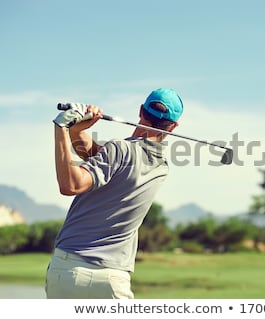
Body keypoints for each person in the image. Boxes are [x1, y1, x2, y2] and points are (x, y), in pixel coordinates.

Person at [46, 88, 183, 299]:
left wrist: (62, 128)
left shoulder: (118, 150)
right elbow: (101, 158)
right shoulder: (161, 166)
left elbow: (71, 184)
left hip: (68, 269)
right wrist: (77, 132)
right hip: (112, 280)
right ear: (173, 127)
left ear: (140, 111)